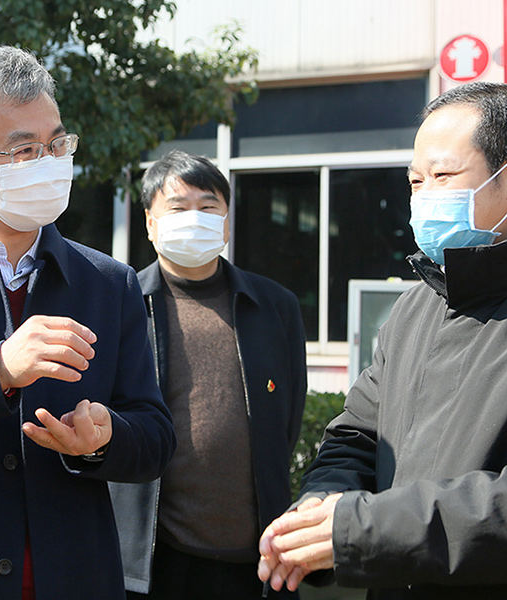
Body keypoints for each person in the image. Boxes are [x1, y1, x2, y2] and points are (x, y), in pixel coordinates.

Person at [258, 81, 507, 599]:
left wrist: (364, 529)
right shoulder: (415, 308)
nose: (424, 197)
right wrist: (321, 506)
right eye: (415, 181)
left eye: (443, 176)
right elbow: (356, 436)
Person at [0, 46, 175, 600]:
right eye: (24, 150)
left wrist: (104, 439)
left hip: (77, 577)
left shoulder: (109, 282)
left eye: (57, 144)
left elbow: (156, 437)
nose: (48, 163)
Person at [109, 150, 307, 600]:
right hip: (154, 564)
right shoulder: (121, 305)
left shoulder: (275, 306)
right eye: (178, 207)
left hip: (258, 561)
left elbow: (286, 421)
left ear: (227, 221)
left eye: (208, 206)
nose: (193, 218)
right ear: (150, 222)